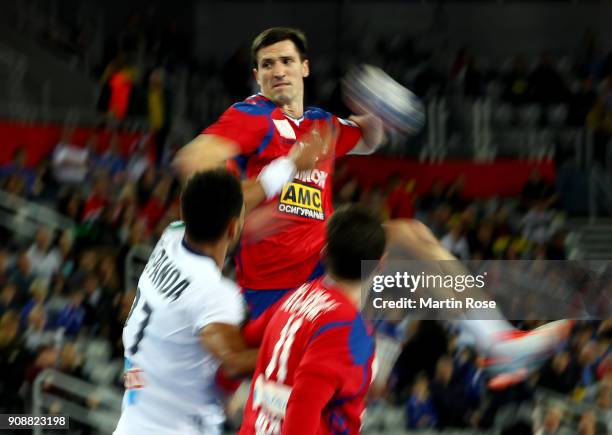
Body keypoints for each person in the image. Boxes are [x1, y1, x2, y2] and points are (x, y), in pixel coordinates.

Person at [175, 27, 570, 390]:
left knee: (410, 235)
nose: (278, 70)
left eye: (286, 61)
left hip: (327, 269)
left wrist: (380, 110)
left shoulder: (321, 124)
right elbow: (191, 161)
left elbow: (367, 137)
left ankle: (495, 340)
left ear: (305, 68)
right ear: (257, 75)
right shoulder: (252, 116)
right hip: (275, 295)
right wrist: (286, 169)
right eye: (267, 64)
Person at [114, 169, 258, 435]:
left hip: (134, 422)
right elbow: (234, 362)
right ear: (233, 227)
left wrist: (287, 168)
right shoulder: (216, 294)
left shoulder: (170, 237)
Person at [239, 205, 386, 434]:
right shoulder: (345, 326)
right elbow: (301, 413)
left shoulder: (298, 295)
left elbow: (248, 336)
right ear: (379, 265)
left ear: (324, 253)